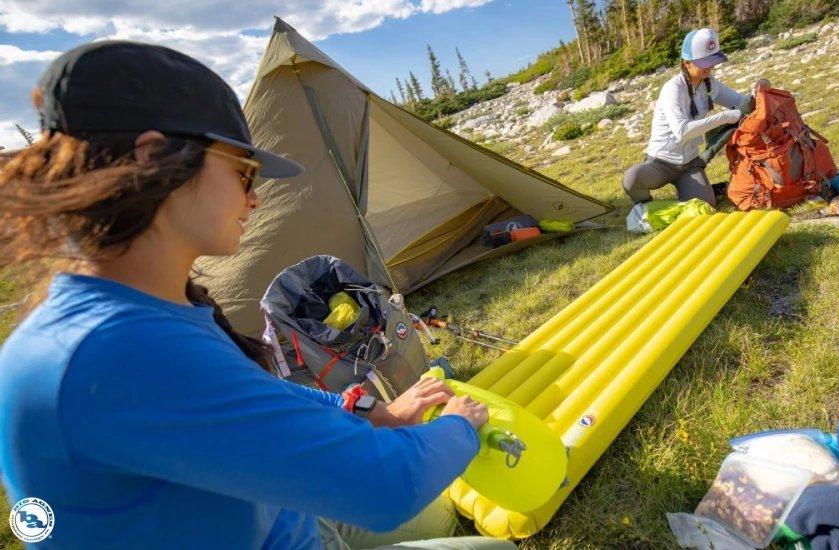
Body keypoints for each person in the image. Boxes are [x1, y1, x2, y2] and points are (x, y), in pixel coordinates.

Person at [0, 41, 513, 550]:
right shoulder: (115, 351)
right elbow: (386, 485)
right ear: (153, 158)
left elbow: (253, 395)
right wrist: (459, 428)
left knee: (439, 516)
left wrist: (365, 411)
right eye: (243, 171)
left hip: (278, 513)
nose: (255, 196)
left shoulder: (132, 310)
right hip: (283, 528)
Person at [622, 28, 766, 207]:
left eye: (713, 61)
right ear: (687, 62)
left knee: (706, 207)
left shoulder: (710, 83)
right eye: (705, 62)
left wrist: (757, 93)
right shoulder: (672, 89)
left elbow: (739, 103)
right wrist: (727, 117)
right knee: (631, 179)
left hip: (689, 164)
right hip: (660, 163)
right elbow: (682, 131)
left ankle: (689, 191)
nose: (710, 67)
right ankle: (645, 207)